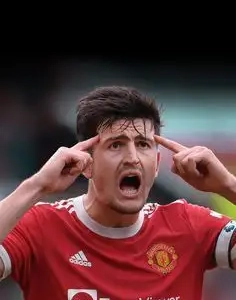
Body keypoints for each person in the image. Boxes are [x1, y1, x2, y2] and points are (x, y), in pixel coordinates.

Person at [0, 86, 236, 300]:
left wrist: (226, 184)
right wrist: (36, 186)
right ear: (87, 163)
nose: (132, 158)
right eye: (116, 144)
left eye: (143, 144)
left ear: (156, 164)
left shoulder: (188, 225)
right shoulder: (40, 226)